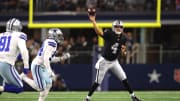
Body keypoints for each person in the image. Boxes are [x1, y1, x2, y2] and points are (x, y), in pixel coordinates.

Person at [84, 10, 141, 101]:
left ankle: (133, 96)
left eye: (120, 27)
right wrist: (93, 21)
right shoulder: (109, 33)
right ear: (113, 27)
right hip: (105, 61)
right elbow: (99, 32)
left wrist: (124, 51)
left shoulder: (123, 38)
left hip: (114, 61)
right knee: (98, 82)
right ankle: (87, 98)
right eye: (116, 27)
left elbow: (122, 48)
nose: (118, 28)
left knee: (124, 78)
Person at [21, 28, 70, 101]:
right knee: (40, 88)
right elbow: (46, 58)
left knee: (49, 84)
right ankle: (24, 77)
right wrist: (49, 70)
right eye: (58, 35)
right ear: (53, 36)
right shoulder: (52, 43)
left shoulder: (49, 41)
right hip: (37, 65)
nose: (60, 37)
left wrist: (61, 58)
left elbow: (50, 59)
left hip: (42, 65)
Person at [0, 18, 29, 94]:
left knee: (1, 87)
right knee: (19, 88)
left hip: (2, 62)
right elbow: (24, 50)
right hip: (5, 64)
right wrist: (26, 66)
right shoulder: (20, 35)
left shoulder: (1, 35)